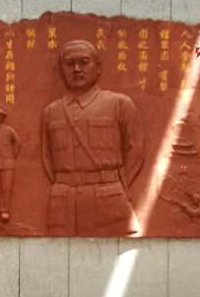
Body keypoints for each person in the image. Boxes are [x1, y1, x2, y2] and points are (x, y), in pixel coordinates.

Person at [39, 40, 144, 236]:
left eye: (83, 62)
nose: (76, 69)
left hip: (109, 196)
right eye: (70, 64)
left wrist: (114, 184)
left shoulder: (119, 104)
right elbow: (46, 157)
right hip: (64, 200)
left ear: (98, 67)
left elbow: (135, 151)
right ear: (61, 71)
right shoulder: (51, 112)